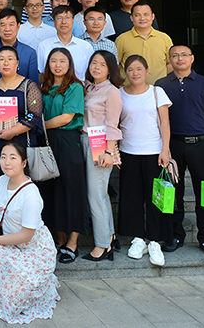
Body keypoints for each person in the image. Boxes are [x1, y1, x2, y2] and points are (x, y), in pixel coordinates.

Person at [0, 141, 59, 325]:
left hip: (35, 250)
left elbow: (26, 236)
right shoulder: (2, 181)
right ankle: (2, 290)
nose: (7, 162)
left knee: (15, 297)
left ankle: (34, 285)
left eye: (13, 158)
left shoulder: (31, 194)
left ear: (23, 163)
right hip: (13, 245)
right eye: (3, 157)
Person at [156, 45, 204, 260]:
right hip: (173, 145)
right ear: (169, 59)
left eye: (184, 55)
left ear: (192, 58)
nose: (180, 58)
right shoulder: (161, 85)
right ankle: (176, 235)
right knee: (173, 193)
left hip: (201, 145)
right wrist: (164, 148)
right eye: (175, 55)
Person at [119, 55, 173, 267]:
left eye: (139, 69)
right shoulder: (120, 94)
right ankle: (138, 239)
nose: (135, 73)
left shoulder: (157, 92)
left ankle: (155, 241)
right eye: (131, 69)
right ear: (125, 73)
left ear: (147, 70)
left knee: (156, 197)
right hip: (128, 151)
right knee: (131, 197)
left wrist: (165, 149)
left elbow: (165, 122)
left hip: (154, 152)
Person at [39, 48, 87, 265]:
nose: (57, 65)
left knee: (71, 190)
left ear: (69, 64)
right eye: (53, 61)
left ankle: (72, 242)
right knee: (52, 190)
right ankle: (59, 239)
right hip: (47, 142)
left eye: (62, 61)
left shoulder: (75, 87)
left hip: (67, 142)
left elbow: (66, 118)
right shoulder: (43, 87)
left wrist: (39, 125)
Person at [81, 50, 124, 262]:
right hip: (85, 139)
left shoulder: (112, 91)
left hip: (100, 143)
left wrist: (109, 151)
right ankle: (109, 236)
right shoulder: (89, 88)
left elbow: (112, 124)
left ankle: (101, 246)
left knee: (95, 195)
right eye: (94, 63)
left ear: (110, 70)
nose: (96, 67)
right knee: (101, 194)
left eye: (102, 64)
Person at [0, 46, 43, 185]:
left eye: (10, 59)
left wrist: (13, 131)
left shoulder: (29, 86)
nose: (6, 63)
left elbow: (34, 115)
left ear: (17, 63)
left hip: (20, 142)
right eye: (1, 59)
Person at [115, 0, 173, 84]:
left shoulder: (164, 38)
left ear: (152, 16)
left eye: (146, 14)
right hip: (129, 89)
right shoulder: (122, 39)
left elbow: (171, 63)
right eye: (137, 15)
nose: (142, 18)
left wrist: (160, 76)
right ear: (131, 18)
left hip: (157, 88)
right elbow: (116, 65)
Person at [36, 6, 94, 82]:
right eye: (59, 18)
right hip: (51, 88)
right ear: (54, 22)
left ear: (73, 21)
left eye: (67, 18)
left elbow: (90, 74)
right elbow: (40, 73)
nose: (64, 22)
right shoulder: (43, 46)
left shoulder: (85, 47)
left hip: (79, 88)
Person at [0, 9, 38, 85]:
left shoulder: (30, 53)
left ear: (18, 27)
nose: (7, 29)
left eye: (11, 25)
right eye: (3, 25)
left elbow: (33, 84)